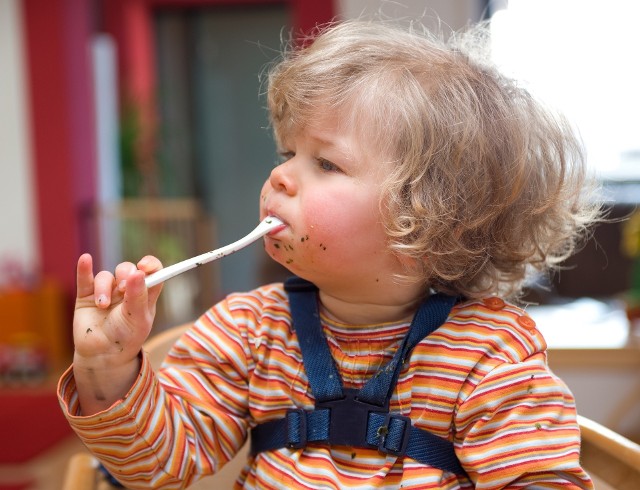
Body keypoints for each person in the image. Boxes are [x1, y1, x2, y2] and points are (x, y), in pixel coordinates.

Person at [58, 19, 601, 489]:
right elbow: (156, 466)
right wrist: (106, 367)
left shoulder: (490, 354)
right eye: (288, 152)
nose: (279, 176)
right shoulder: (247, 332)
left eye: (326, 164)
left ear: (428, 218)